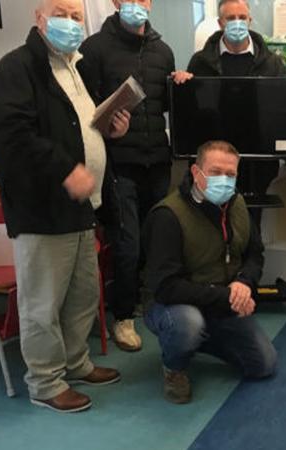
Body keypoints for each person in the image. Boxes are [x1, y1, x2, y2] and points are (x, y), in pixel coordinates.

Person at [0, 0, 129, 412]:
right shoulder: (17, 68)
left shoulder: (76, 68)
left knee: (82, 295)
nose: (71, 22)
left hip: (83, 207)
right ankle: (46, 382)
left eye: (76, 16)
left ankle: (75, 362)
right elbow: (11, 136)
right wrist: (65, 169)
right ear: (39, 19)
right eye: (61, 13)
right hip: (42, 211)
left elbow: (76, 127)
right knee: (42, 303)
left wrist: (109, 129)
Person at [78, 0, 192, 352]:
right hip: (119, 163)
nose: (137, 4)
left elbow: (166, 106)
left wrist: (181, 85)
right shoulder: (94, 48)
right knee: (128, 243)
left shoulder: (163, 50)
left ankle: (149, 298)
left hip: (157, 160)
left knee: (156, 237)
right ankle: (123, 316)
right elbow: (83, 110)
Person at [142, 140, 277, 404]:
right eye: (215, 172)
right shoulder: (167, 215)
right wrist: (227, 296)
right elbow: (166, 286)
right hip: (172, 304)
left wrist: (245, 283)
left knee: (263, 364)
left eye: (231, 174)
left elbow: (254, 253)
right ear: (196, 172)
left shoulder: (238, 205)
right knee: (188, 325)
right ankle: (174, 367)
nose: (224, 181)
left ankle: (199, 340)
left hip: (220, 300)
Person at [186, 0, 286, 229]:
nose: (237, 23)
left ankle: (250, 255)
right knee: (210, 224)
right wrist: (182, 84)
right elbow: (191, 112)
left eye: (242, 17)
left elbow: (281, 110)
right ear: (220, 23)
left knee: (251, 226)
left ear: (250, 20)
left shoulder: (271, 63)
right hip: (214, 159)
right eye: (230, 18)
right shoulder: (201, 62)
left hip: (257, 162)